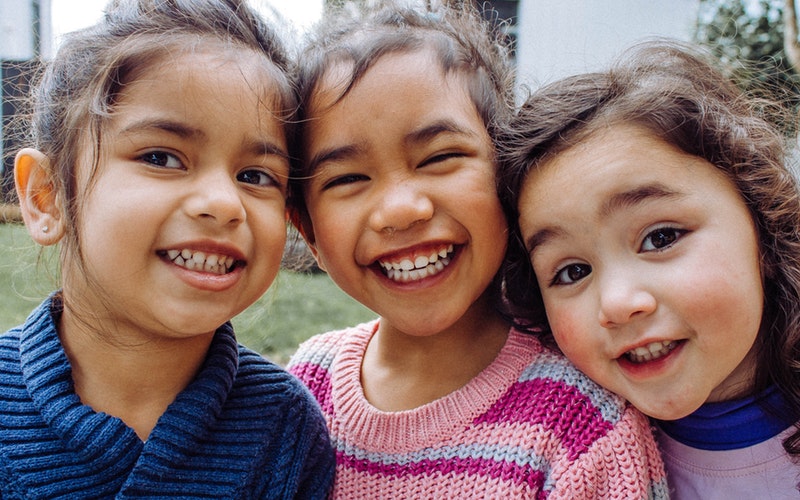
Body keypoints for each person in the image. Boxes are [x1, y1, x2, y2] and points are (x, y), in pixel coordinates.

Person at [285, 1, 668, 497]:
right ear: (308, 229)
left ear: (507, 172)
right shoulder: (303, 390)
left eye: (441, 156)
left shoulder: (581, 424)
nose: (402, 209)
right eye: (349, 178)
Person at [1, 0, 335, 497]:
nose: (224, 204)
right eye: (162, 157)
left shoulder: (285, 429)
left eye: (255, 176)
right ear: (46, 197)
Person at [497, 39, 800, 498]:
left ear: (763, 223)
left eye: (661, 238)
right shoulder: (574, 464)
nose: (618, 303)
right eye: (572, 272)